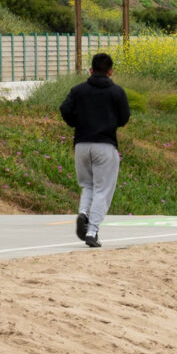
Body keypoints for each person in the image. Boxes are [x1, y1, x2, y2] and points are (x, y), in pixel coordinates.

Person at [59, 52, 130, 247]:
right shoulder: (117, 92)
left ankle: (83, 213)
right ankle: (92, 231)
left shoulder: (78, 90)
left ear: (90, 70)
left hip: (82, 144)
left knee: (87, 185)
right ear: (110, 71)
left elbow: (64, 109)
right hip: (105, 145)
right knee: (103, 189)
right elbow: (124, 118)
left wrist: (77, 123)